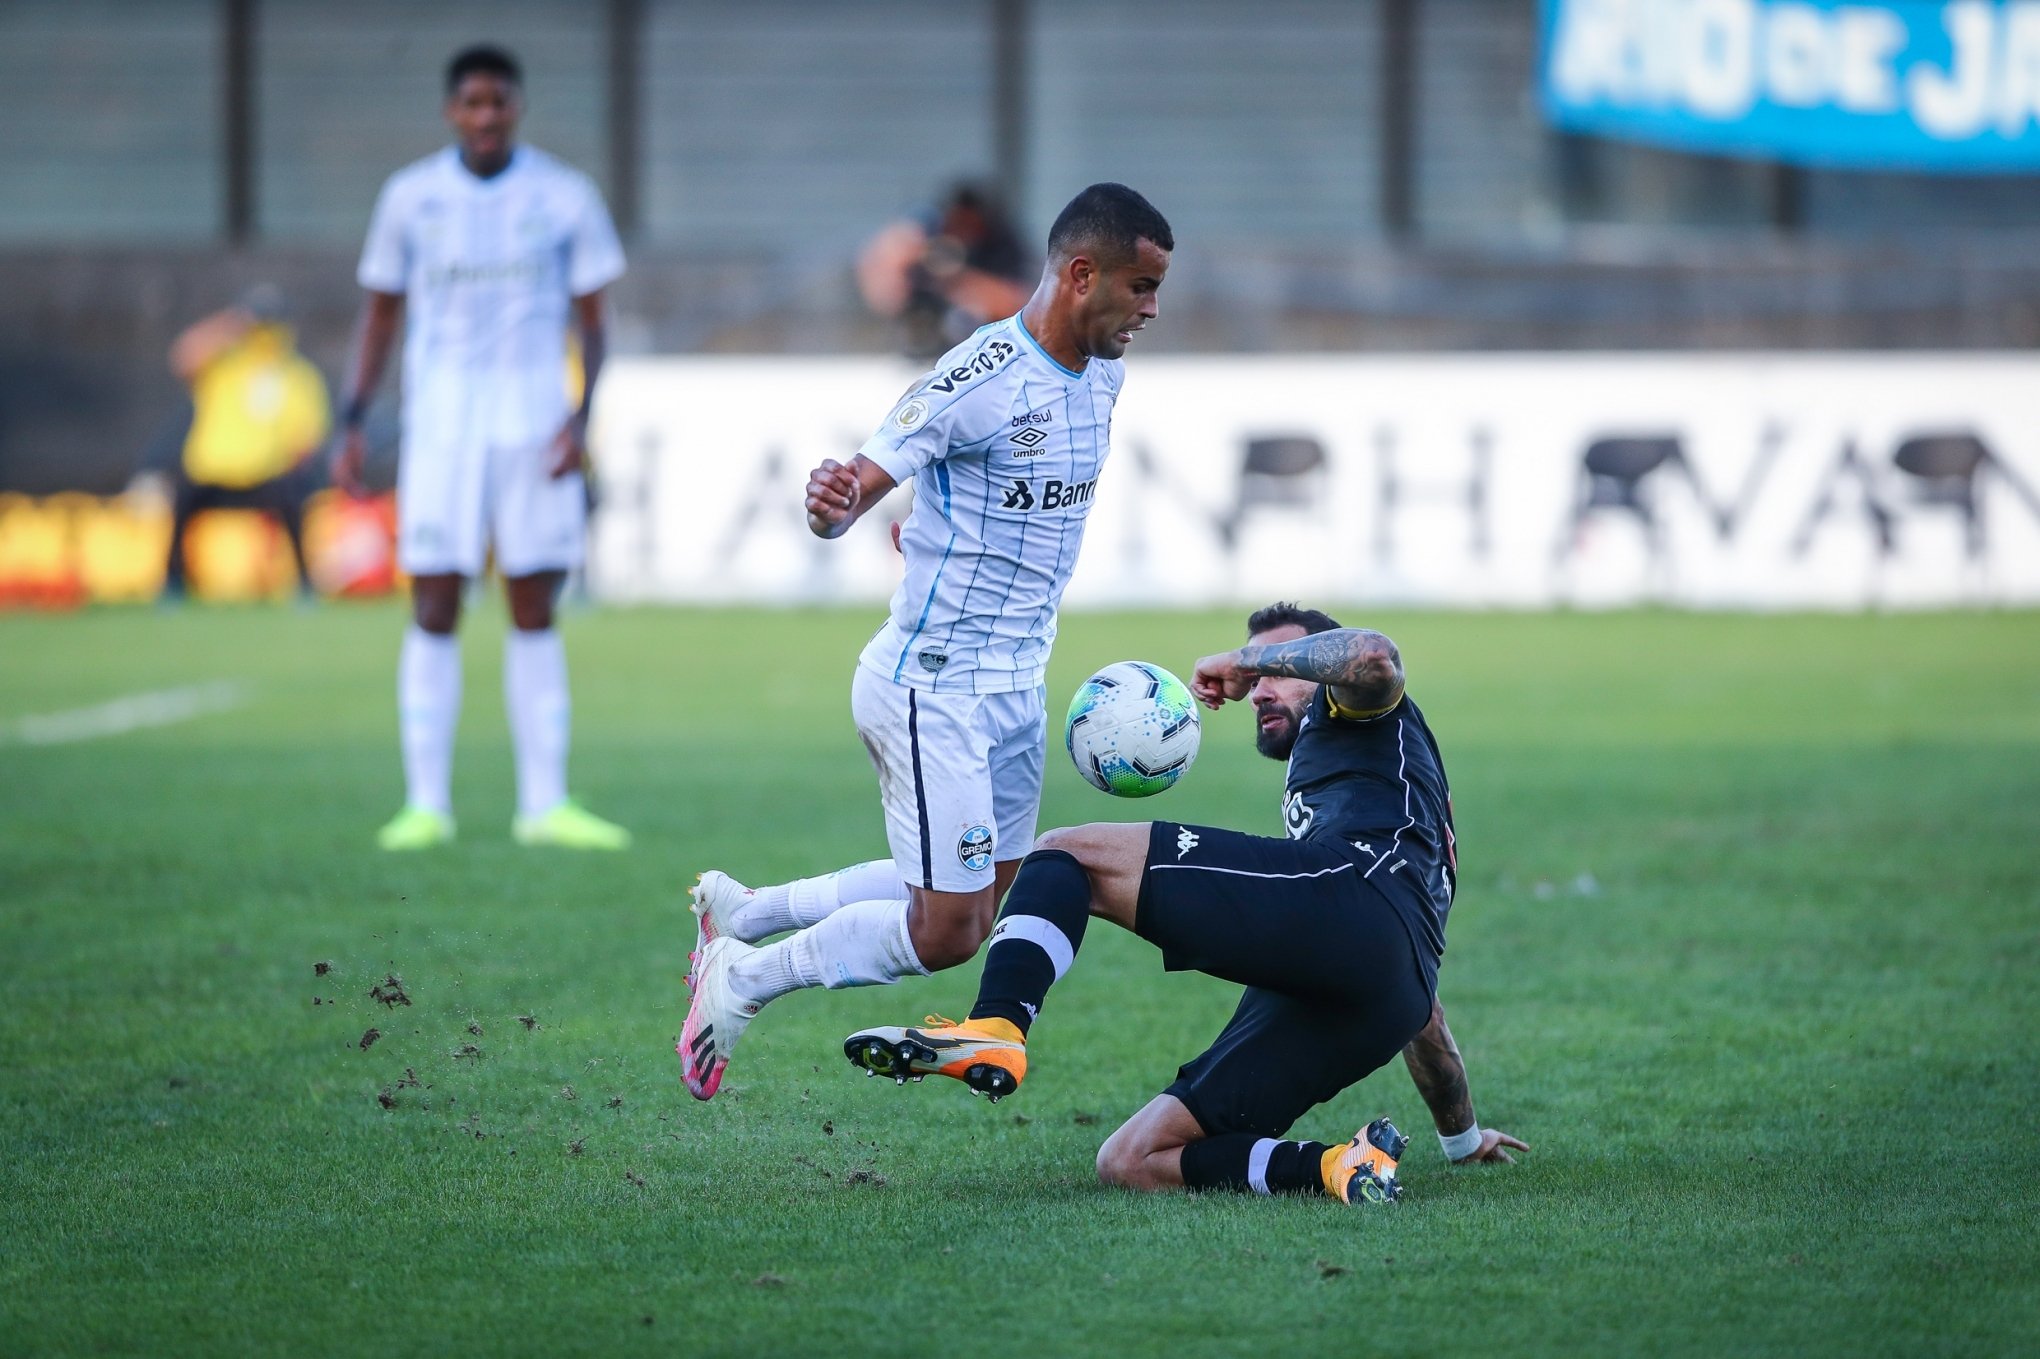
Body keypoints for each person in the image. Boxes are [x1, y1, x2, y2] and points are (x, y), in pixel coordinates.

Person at [677, 184, 1175, 1100]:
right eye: (1140, 287)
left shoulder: (1104, 373)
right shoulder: (978, 375)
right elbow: (862, 484)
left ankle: (750, 912)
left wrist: (937, 531)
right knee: (948, 929)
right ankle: (743, 979)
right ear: (1080, 274)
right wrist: (839, 507)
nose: (1151, 309)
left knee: (986, 893)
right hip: (933, 683)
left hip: (1019, 687)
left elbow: (1001, 506)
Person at [844, 604, 1528, 1203]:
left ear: (1320, 670)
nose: (1260, 687)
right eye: (1257, 676)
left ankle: (996, 1025)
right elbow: (1419, 1002)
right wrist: (1462, 1137)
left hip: (1349, 897)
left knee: (1064, 854)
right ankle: (1337, 1166)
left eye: (1278, 668)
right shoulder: (1374, 784)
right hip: (1387, 989)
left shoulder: (1356, 710)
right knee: (1132, 1159)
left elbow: (1373, 655)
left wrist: (1240, 657)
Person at [333, 44, 630, 853]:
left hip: (535, 428)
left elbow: (596, 322)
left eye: (499, 101)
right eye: (472, 102)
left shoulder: (564, 195)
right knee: (433, 602)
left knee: (534, 605)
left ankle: (546, 804)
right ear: (450, 111)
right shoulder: (411, 197)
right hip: (441, 431)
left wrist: (581, 417)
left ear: (517, 107)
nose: (486, 115)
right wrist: (353, 417)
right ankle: (425, 804)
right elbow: (381, 314)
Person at [161, 286, 329, 600]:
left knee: (293, 497)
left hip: (266, 475)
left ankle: (305, 584)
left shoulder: (298, 375)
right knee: (180, 498)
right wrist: (231, 324)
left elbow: (308, 437)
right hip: (211, 472)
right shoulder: (223, 364)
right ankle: (173, 583)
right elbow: (183, 356)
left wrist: (295, 462)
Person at [857, 183, 1035, 359]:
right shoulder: (931, 233)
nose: (964, 231)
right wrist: (915, 258)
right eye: (959, 223)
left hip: (982, 350)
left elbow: (1014, 303)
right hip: (919, 344)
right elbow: (883, 271)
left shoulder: (1002, 245)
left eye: (969, 224)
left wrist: (959, 277)